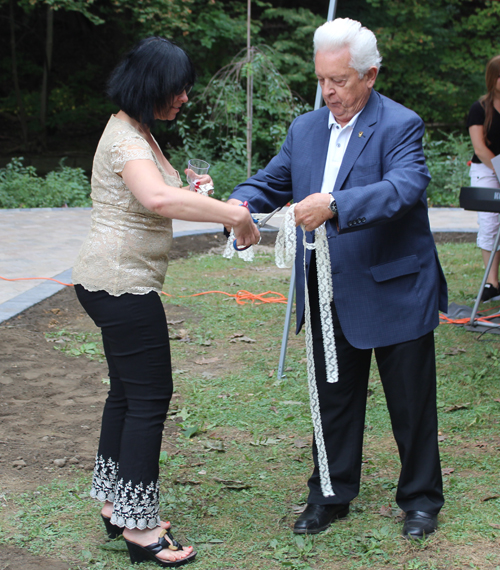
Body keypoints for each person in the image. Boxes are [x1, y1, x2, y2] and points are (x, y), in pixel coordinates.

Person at [227, 18, 447, 540]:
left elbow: (404, 187)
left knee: (411, 406)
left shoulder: (400, 124)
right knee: (334, 400)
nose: (329, 91)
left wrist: (335, 205)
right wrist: (239, 203)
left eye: (341, 80)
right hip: (326, 289)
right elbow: (272, 179)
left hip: (395, 287)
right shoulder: (305, 129)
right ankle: (329, 493)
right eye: (322, 80)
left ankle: (420, 500)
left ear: (370, 75)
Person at [72, 36, 259, 568]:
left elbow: (158, 192)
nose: (184, 98)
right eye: (178, 89)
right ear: (152, 85)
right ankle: (140, 528)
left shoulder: (137, 131)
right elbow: (154, 199)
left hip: (112, 281)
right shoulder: (127, 139)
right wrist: (231, 213)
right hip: (121, 284)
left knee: (127, 398)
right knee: (149, 400)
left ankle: (116, 504)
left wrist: (196, 191)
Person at [467, 55, 500, 302]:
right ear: (493, 79)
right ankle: (492, 283)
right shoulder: (479, 109)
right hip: (485, 169)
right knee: (490, 223)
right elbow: (480, 148)